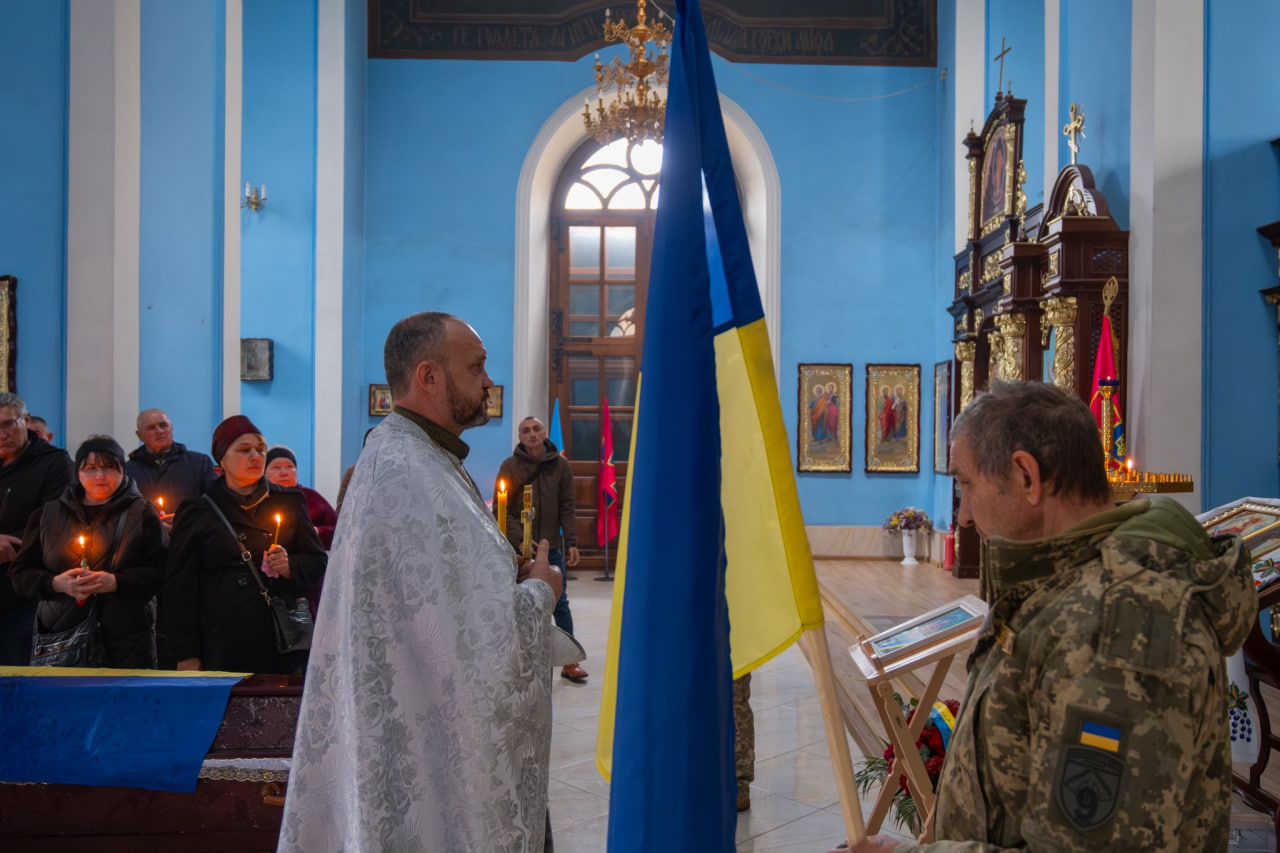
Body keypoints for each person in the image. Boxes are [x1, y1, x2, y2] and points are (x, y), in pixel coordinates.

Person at [837, 380, 1254, 852]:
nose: (966, 514)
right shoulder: (1067, 587)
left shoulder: (1115, 628)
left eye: (967, 483)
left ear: (1027, 478)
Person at [279, 311, 563, 853]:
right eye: (476, 368)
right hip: (421, 745)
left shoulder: (415, 456)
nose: (488, 382)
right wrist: (541, 590)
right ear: (429, 377)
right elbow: (479, 640)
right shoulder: (408, 472)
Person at [160, 415, 326, 675]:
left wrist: (290, 565)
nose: (255, 456)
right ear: (222, 459)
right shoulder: (198, 510)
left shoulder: (289, 500)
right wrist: (186, 653)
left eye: (260, 449)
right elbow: (179, 589)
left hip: (278, 636)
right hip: (221, 637)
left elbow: (317, 560)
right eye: (244, 450)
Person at [10, 436, 166, 667]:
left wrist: (115, 582)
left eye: (109, 467)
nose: (100, 476)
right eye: (91, 468)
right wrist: (56, 583)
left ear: (122, 469)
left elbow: (163, 572)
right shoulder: (48, 514)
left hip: (128, 639)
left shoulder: (142, 513)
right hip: (62, 637)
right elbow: (20, 575)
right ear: (78, 471)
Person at [494, 414, 587, 682]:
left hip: (552, 546)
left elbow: (568, 506)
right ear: (520, 437)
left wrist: (571, 541)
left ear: (545, 433)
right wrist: (520, 539)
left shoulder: (561, 466)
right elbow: (501, 508)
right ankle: (520, 661)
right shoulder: (510, 466)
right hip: (519, 550)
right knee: (520, 604)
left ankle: (570, 662)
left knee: (560, 603)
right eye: (526, 431)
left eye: (536, 429)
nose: (532, 434)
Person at [0, 392, 74, 665]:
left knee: (16, 682)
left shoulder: (53, 463)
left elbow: (55, 524)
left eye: (8, 424)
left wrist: (13, 544)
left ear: (26, 420)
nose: (2, 434)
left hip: (25, 595)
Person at [125, 408, 217, 529]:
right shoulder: (128, 471)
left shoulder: (200, 463)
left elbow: (214, 504)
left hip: (191, 537)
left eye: (163, 425)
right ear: (139, 435)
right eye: (151, 428)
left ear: (171, 428)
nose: (159, 431)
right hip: (147, 540)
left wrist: (185, 518)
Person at [264, 446, 337, 548]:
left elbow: (339, 530)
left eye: (290, 467)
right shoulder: (258, 499)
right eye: (277, 467)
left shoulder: (311, 497)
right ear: (264, 474)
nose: (284, 473)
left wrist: (316, 532)